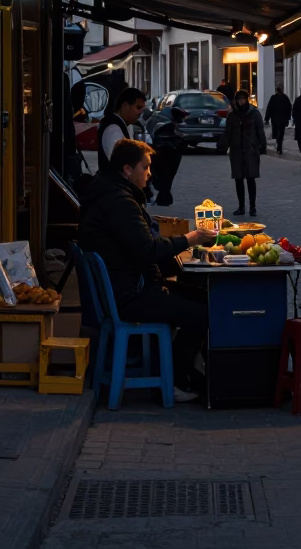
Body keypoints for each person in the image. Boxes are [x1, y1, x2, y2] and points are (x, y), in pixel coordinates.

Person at [78, 138, 216, 401]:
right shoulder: (119, 201)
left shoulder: (110, 192)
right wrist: (191, 239)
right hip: (129, 295)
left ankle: (189, 370)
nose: (149, 173)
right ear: (127, 169)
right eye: (146, 167)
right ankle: (176, 380)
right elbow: (148, 249)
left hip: (126, 286)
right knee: (202, 313)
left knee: (205, 299)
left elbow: (142, 246)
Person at [225, 88, 266, 216]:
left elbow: (260, 130)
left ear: (246, 100)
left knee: (250, 179)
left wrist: (262, 145)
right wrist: (223, 145)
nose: (240, 102)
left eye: (242, 99)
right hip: (236, 151)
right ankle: (241, 207)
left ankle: (252, 207)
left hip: (250, 150)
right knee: (238, 179)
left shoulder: (254, 114)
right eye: (238, 100)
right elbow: (227, 132)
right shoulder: (233, 115)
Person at [97, 87, 147, 172]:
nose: (140, 113)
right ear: (125, 106)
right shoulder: (113, 129)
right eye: (138, 108)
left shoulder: (126, 125)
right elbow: (121, 164)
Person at [150, 107, 187, 207]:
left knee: (165, 176)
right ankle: (164, 196)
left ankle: (164, 196)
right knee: (167, 177)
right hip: (168, 154)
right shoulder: (167, 126)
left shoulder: (166, 126)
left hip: (167, 153)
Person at [265, 84, 292, 155]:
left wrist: (267, 118)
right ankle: (279, 147)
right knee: (281, 133)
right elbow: (289, 108)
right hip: (283, 119)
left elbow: (269, 108)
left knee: (277, 132)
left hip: (275, 119)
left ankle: (278, 145)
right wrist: (288, 118)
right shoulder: (285, 97)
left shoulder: (273, 98)